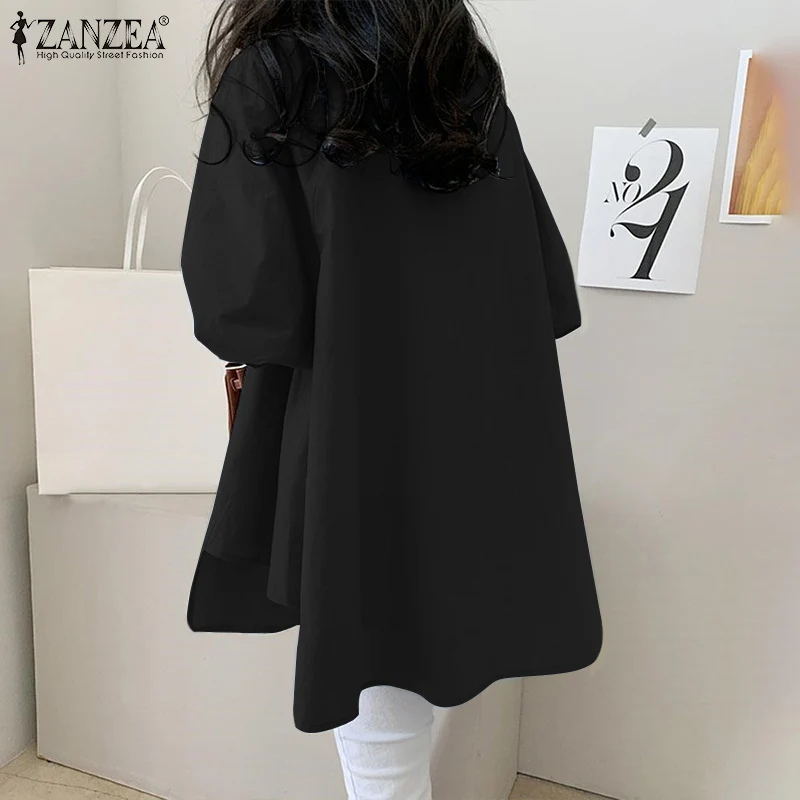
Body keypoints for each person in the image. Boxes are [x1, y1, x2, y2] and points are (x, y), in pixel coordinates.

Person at [181, 2, 603, 798]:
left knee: (367, 639)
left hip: (355, 412)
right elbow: (541, 278)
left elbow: (244, 309)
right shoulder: (459, 72)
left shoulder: (274, 72)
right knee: (417, 632)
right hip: (481, 414)